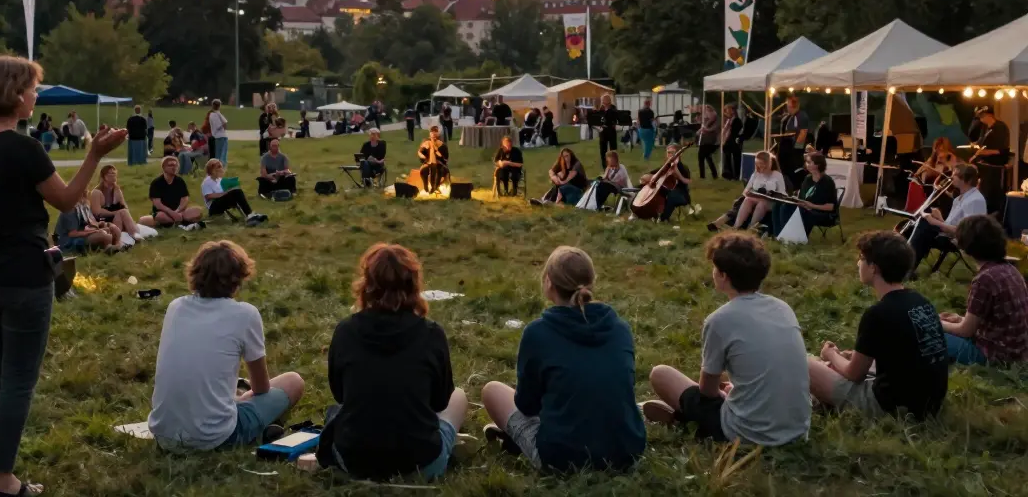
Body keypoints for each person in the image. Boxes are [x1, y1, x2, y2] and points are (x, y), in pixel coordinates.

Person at [0, 55, 126, 497]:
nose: (36, 96)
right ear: (14, 94)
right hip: (23, 276)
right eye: (32, 88)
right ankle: (5, 480)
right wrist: (94, 154)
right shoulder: (24, 149)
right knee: (18, 379)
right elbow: (67, 201)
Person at [481, 246, 646, 472]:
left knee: (493, 391)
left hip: (563, 459)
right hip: (627, 451)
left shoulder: (538, 333)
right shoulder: (620, 328)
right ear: (591, 282)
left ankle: (521, 439)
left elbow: (526, 406)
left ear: (549, 282)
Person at [317, 243, 467, 481]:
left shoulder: (345, 331)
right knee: (459, 396)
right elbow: (440, 401)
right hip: (421, 464)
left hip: (353, 461)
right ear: (414, 284)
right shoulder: (431, 334)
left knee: (337, 413)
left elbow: (340, 395)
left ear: (366, 283)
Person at [642, 233, 810, 445]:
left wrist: (726, 396)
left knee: (661, 374)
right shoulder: (782, 308)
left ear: (723, 276)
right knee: (727, 384)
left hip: (749, 433)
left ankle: (683, 420)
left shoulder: (720, 320)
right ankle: (685, 419)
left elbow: (708, 391)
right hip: (797, 430)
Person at [148, 240, 304, 451]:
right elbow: (261, 388)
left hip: (163, 433)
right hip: (214, 437)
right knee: (293, 381)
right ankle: (245, 418)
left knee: (231, 391)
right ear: (238, 278)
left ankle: (234, 401)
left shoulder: (176, 306)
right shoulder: (245, 314)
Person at [807, 231, 948, 419]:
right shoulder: (921, 301)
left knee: (804, 364)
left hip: (893, 408)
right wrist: (853, 357)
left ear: (874, 268)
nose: (858, 263)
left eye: (861, 258)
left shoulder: (877, 313)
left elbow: (854, 374)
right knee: (846, 361)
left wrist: (830, 355)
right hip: (930, 403)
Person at [939, 214, 1028, 365]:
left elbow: (965, 331)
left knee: (926, 333)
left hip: (995, 356)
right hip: (1018, 352)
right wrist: (960, 318)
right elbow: (998, 321)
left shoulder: (984, 279)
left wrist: (936, 323)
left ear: (968, 248)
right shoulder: (1010, 269)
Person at [906, 163, 985, 272]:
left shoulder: (975, 200)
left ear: (965, 180)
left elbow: (966, 232)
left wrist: (935, 222)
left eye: (955, 174)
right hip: (949, 235)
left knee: (925, 224)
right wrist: (940, 218)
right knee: (916, 224)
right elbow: (951, 225)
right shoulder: (958, 199)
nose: (952, 177)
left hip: (960, 240)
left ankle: (906, 267)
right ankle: (903, 263)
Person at [708, 151, 783, 232]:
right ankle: (736, 227)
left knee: (760, 203)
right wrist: (751, 192)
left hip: (771, 202)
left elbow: (783, 195)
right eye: (759, 164)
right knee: (746, 199)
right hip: (756, 198)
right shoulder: (757, 174)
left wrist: (769, 194)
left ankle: (751, 228)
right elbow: (747, 190)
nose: (761, 167)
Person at [765, 152, 837, 237]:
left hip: (820, 212)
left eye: (809, 162)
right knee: (778, 205)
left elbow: (831, 207)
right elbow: (802, 198)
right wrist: (794, 199)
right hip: (805, 208)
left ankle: (787, 236)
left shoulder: (827, 182)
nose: (806, 164)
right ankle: (778, 235)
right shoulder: (808, 179)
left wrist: (812, 206)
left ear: (817, 165)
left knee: (785, 208)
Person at [140, 156, 205, 229]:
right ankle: (182, 222)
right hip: (163, 212)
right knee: (160, 216)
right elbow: (158, 204)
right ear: (164, 168)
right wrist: (172, 213)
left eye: (175, 165)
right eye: (170, 165)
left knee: (197, 211)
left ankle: (174, 222)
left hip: (179, 211)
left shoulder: (180, 181)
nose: (174, 167)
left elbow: (185, 199)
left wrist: (177, 211)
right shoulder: (156, 183)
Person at [55, 189, 123, 253]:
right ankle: (111, 249)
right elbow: (73, 234)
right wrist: (94, 231)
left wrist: (100, 224)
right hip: (68, 241)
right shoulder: (70, 210)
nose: (85, 195)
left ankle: (116, 247)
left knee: (113, 229)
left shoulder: (84, 207)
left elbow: (90, 223)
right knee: (106, 236)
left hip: (83, 233)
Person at [202, 159, 266, 225]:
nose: (221, 168)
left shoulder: (219, 179)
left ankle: (250, 215)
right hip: (213, 208)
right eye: (218, 167)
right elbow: (208, 196)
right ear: (212, 169)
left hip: (220, 202)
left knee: (237, 192)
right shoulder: (207, 182)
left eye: (221, 166)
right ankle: (249, 216)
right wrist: (225, 193)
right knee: (236, 192)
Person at [90, 164, 145, 239]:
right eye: (111, 173)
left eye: (115, 173)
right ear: (104, 176)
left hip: (117, 218)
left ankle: (133, 234)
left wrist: (121, 213)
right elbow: (97, 212)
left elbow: (124, 207)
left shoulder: (116, 190)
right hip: (103, 222)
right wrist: (114, 213)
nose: (114, 175)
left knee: (123, 212)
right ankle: (135, 234)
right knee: (121, 212)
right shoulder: (96, 192)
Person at [639, 144, 692, 222]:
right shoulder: (664, 167)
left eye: (672, 153)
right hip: (667, 193)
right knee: (644, 188)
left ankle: (663, 219)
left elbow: (683, 182)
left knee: (671, 195)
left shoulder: (683, 168)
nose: (670, 155)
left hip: (681, 196)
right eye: (668, 152)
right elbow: (646, 176)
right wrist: (649, 178)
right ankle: (641, 213)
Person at [776, 94, 810, 182]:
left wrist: (796, 150)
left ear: (794, 105)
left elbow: (803, 134)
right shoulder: (789, 117)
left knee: (794, 175)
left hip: (794, 153)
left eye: (788, 105)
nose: (787, 107)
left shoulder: (801, 116)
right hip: (786, 151)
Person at [417, 125, 450, 195]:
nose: (434, 134)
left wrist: (439, 159)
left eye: (436, 132)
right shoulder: (426, 143)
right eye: (432, 132)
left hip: (440, 164)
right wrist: (424, 158)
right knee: (424, 170)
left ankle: (435, 187)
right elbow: (420, 153)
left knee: (439, 170)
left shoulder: (442, 145)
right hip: (428, 163)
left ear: (438, 134)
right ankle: (425, 186)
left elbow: (445, 159)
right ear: (430, 134)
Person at [720, 103, 744, 180]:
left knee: (735, 158)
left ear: (732, 110)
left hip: (733, 141)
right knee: (727, 158)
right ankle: (728, 173)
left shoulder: (736, 120)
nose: (726, 112)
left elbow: (735, 131)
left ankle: (736, 174)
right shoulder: (728, 120)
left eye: (727, 110)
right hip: (728, 142)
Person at [696, 104, 719, 180]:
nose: (705, 112)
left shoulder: (713, 117)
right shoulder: (707, 118)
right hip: (704, 140)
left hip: (709, 141)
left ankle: (705, 175)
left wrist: (703, 129)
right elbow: (701, 128)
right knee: (706, 157)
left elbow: (708, 128)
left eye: (706, 110)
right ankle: (712, 175)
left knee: (703, 157)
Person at [208, 99, 229, 165]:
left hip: (218, 136)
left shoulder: (214, 114)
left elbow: (223, 124)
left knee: (219, 154)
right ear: (219, 106)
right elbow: (224, 124)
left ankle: (219, 166)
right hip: (221, 136)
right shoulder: (216, 114)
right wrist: (223, 126)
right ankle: (220, 166)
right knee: (222, 154)